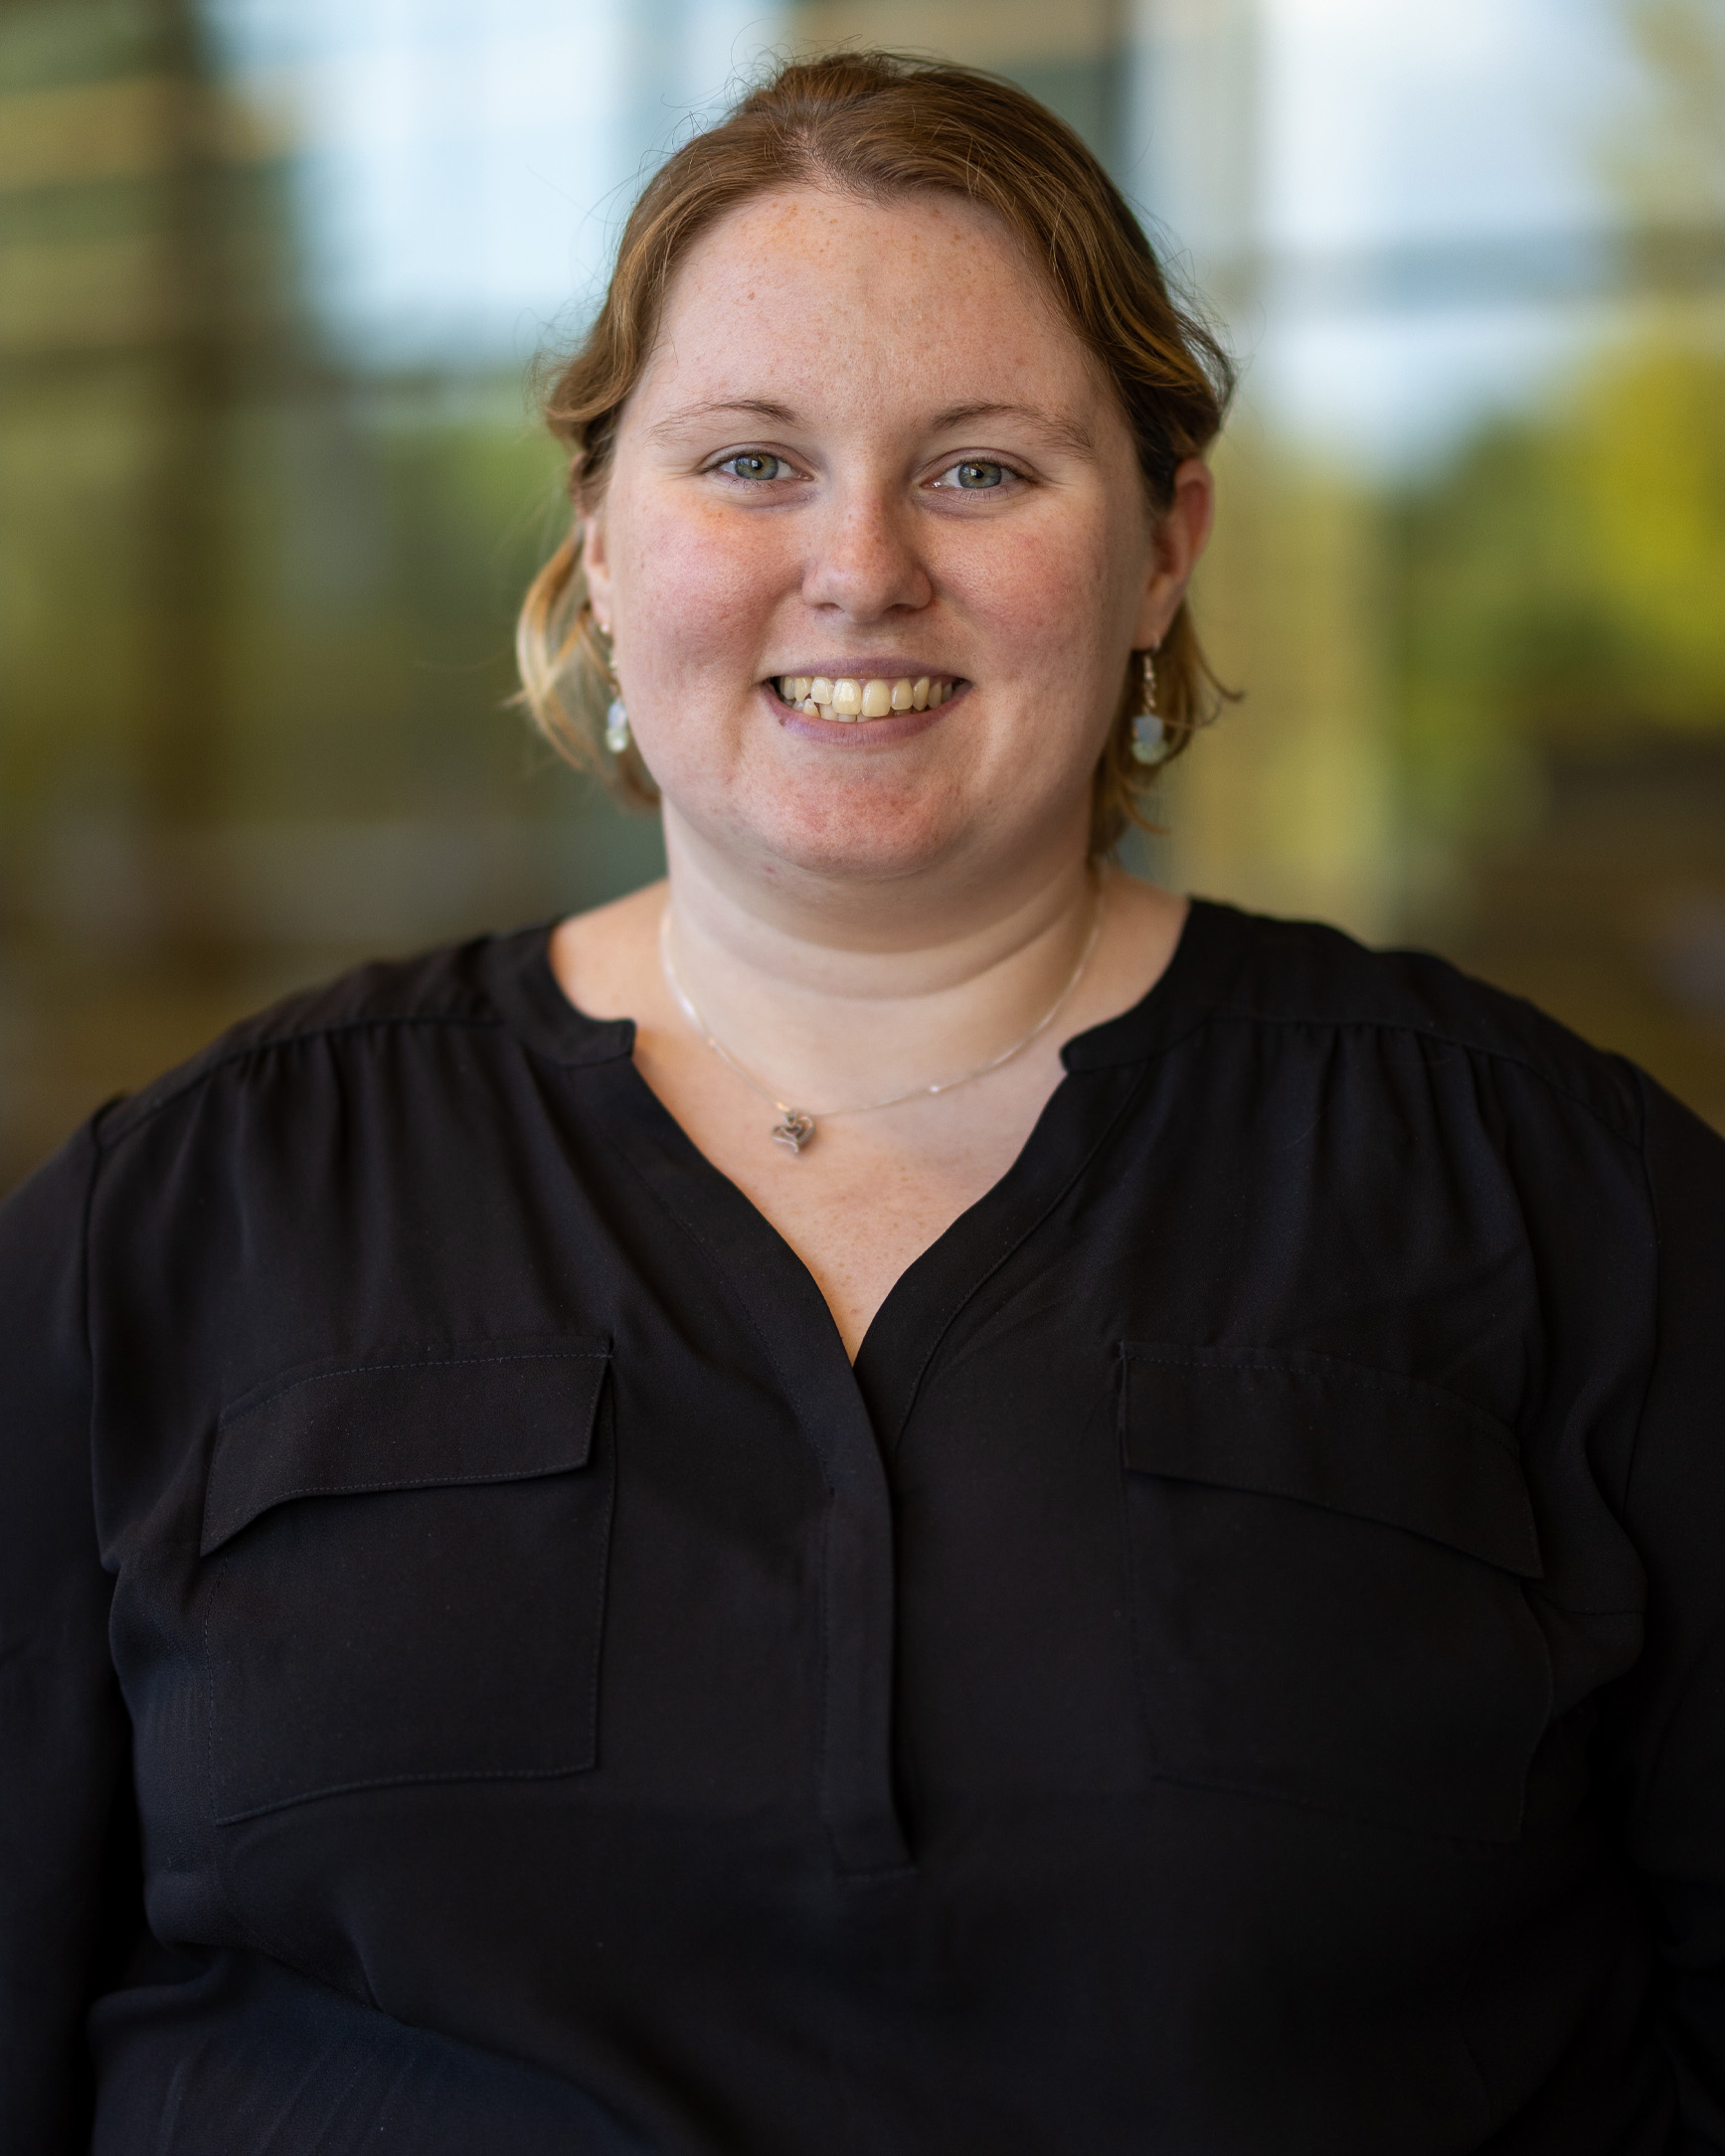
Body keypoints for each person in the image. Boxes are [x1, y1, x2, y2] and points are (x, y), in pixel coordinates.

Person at [3, 48, 1723, 2156]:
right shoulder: (183, 1219)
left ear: (1164, 544)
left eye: (983, 469)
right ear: (604, 545)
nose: (860, 564)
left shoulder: (1569, 1209)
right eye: (748, 462)